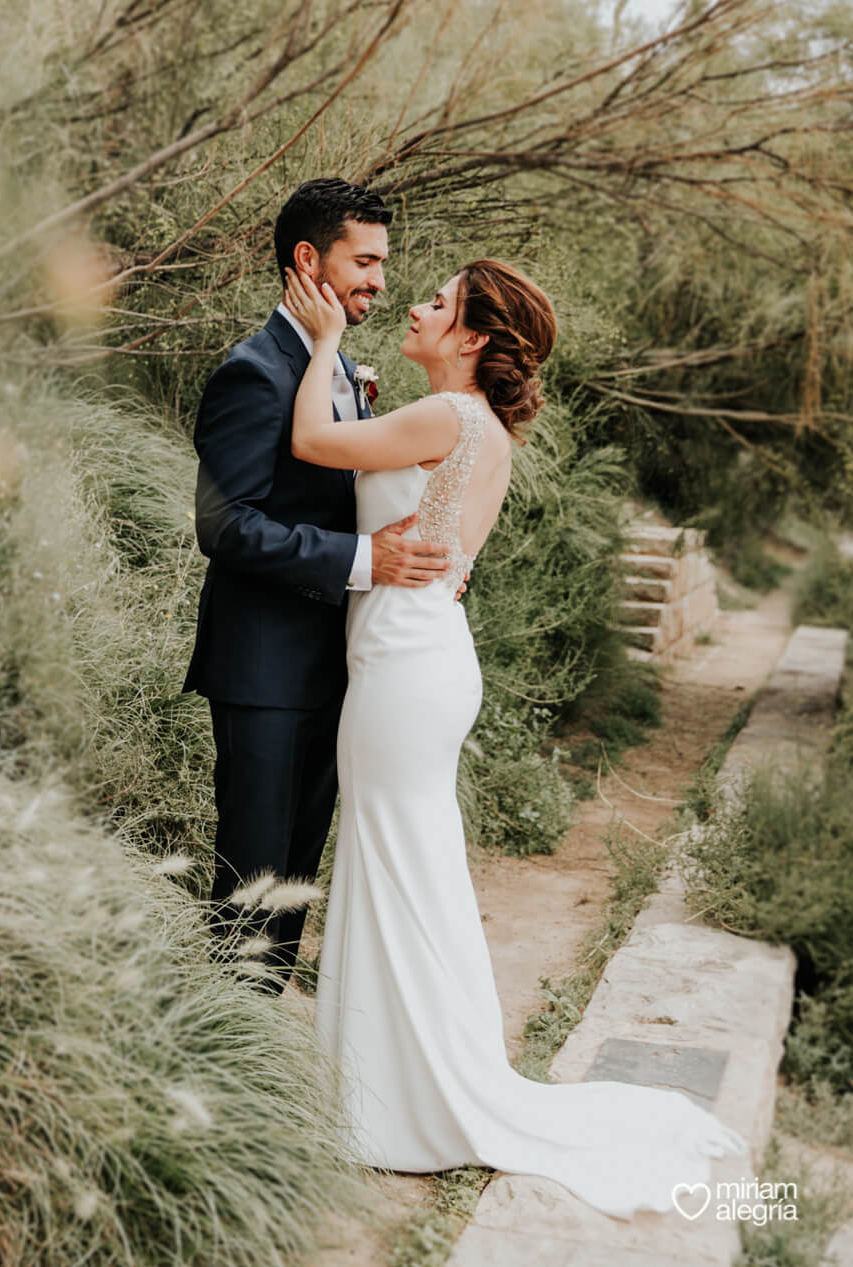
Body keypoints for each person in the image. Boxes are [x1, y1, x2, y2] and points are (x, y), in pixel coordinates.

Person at [280, 258, 748, 1219]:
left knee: (395, 868)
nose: (414, 304)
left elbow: (314, 441)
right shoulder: (480, 428)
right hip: (424, 655)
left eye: (439, 304)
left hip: (405, 668)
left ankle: (399, 1101)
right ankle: (396, 1087)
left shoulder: (449, 418)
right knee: (410, 869)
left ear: (474, 340)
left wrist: (325, 343)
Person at [182, 177, 452, 996]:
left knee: (292, 887)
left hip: (332, 672)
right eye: (363, 261)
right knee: (251, 893)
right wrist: (365, 561)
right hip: (263, 675)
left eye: (381, 263)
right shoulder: (254, 373)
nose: (378, 279)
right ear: (310, 259)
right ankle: (225, 1067)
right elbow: (226, 528)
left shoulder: (335, 369)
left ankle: (260, 1062)